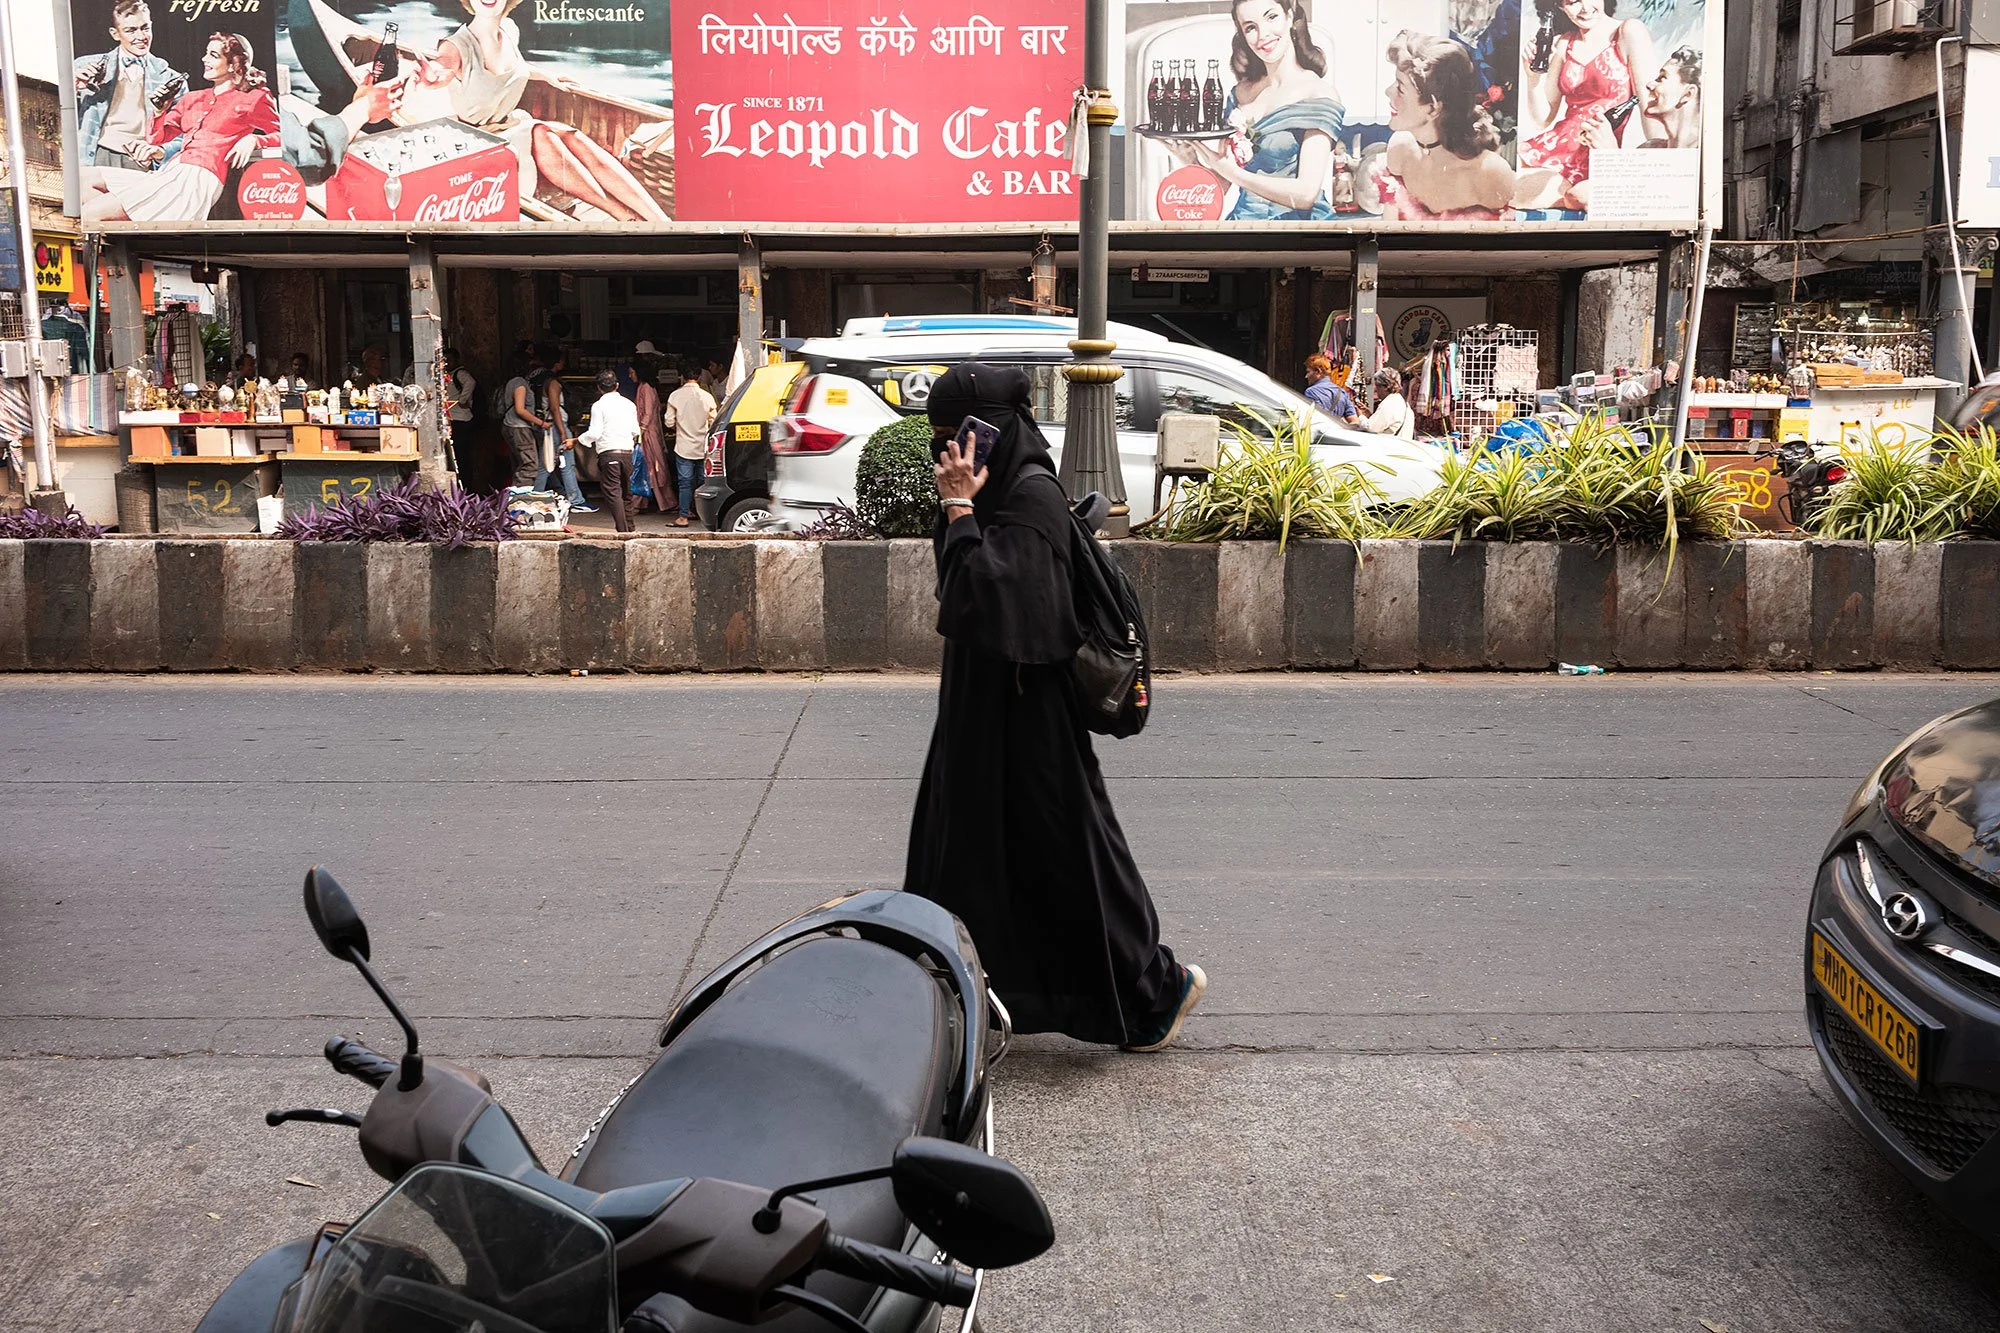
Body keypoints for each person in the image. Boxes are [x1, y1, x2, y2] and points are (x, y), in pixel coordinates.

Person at [905, 363, 1206, 1052]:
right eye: (939, 438)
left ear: (993, 431)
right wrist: (960, 510)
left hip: (1032, 723)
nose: (947, 452)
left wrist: (959, 510)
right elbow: (960, 588)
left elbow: (997, 606)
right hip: (981, 715)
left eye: (958, 435)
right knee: (966, 859)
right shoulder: (997, 491)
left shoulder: (1033, 497)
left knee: (1072, 859)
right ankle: (966, 999)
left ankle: (1158, 991)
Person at [408, 0, 667, 221]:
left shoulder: (509, 30)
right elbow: (441, 71)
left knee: (572, 136)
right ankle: (624, 216)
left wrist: (548, 77)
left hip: (508, 126)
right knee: (542, 133)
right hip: (476, 143)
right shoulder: (453, 47)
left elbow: (513, 68)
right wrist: (433, 77)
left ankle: (658, 217)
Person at [1167, 0, 1343, 221]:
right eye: (1250, 27)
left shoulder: (1318, 94)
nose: (1262, 35)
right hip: (1243, 225)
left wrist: (1232, 172)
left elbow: (1306, 194)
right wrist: (1191, 160)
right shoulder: (1239, 94)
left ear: (1289, 17)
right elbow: (1222, 184)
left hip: (1296, 230)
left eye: (1271, 17)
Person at [81, 32, 277, 224]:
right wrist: (159, 112)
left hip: (197, 181)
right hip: (170, 173)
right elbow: (157, 138)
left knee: (90, 213)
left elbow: (281, 135)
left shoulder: (254, 98)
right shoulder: (193, 98)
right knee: (82, 179)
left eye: (213, 55)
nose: (204, 59)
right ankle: (124, 238)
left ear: (234, 64)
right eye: (206, 53)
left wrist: (254, 140)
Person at [1517, 0, 1659, 213]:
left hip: (1596, 154)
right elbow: (1542, 118)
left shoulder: (1628, 32)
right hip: (1551, 149)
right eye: (1573, 2)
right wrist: (1532, 78)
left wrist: (1657, 170)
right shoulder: (1564, 43)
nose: (1584, 8)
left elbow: (1651, 108)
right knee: (1495, 185)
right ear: (1560, 6)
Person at [1377, 31, 1516, 221]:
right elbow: (1386, 236)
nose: (1388, 92)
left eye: (1400, 88)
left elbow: (1505, 247)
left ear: (1433, 108)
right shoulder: (1400, 148)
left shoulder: (1489, 171)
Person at [74, 0, 186, 169]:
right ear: (115, 33)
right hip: (97, 156)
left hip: (141, 161)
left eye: (145, 28)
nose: (141, 37)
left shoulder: (171, 79)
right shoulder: (84, 66)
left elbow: (184, 133)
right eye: (131, 30)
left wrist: (160, 151)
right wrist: (73, 88)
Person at [579, 370, 639, 532]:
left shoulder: (598, 406)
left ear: (599, 388)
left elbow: (595, 433)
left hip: (609, 452)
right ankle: (630, 529)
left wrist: (578, 440)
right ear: (617, 386)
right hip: (627, 452)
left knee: (613, 493)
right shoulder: (629, 404)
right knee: (626, 493)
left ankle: (622, 531)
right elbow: (635, 431)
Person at [536, 351, 591, 510]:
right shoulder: (553, 383)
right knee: (566, 464)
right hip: (556, 426)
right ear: (557, 363)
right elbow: (554, 408)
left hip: (551, 426)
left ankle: (536, 496)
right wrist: (563, 432)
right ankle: (576, 500)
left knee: (546, 465)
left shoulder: (546, 381)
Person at [664, 363, 717, 527]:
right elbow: (714, 421)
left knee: (685, 483)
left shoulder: (675, 396)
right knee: (703, 482)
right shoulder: (707, 396)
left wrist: (679, 426)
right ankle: (704, 515)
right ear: (699, 378)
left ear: (682, 377)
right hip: (703, 446)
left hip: (683, 446)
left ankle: (683, 516)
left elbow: (668, 421)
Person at [502, 352, 549, 488]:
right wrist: (541, 423)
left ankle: (514, 497)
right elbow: (520, 409)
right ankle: (521, 498)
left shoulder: (511, 382)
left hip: (511, 426)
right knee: (530, 465)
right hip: (519, 428)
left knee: (520, 463)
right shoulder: (520, 383)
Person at [1638, 46, 1699, 150]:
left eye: (1662, 77)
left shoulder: (1704, 150)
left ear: (1688, 93)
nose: (1649, 85)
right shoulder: (1650, 149)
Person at [632, 345, 669, 516]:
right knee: (651, 469)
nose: (630, 375)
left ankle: (642, 502)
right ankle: (663, 502)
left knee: (649, 468)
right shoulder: (647, 386)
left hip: (647, 435)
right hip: (650, 433)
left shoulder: (645, 388)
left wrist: (640, 431)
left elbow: (646, 412)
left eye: (632, 372)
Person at [1303, 352, 1359, 426]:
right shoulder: (1342, 392)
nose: (1306, 376)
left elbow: (1316, 419)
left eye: (1308, 372)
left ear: (1318, 372)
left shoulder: (1311, 392)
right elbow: (1355, 422)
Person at [444, 347, 475, 478]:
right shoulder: (447, 375)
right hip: (454, 418)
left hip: (461, 419)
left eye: (450, 360)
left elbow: (470, 382)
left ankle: (466, 481)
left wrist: (462, 399)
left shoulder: (460, 373)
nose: (447, 363)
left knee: (462, 454)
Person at [1361, 367, 1415, 439]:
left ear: (1386, 387)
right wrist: (1370, 415)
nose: (1375, 390)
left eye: (1377, 386)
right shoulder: (1401, 403)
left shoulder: (1390, 404)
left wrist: (1360, 416)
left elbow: (1370, 429)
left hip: (1390, 448)